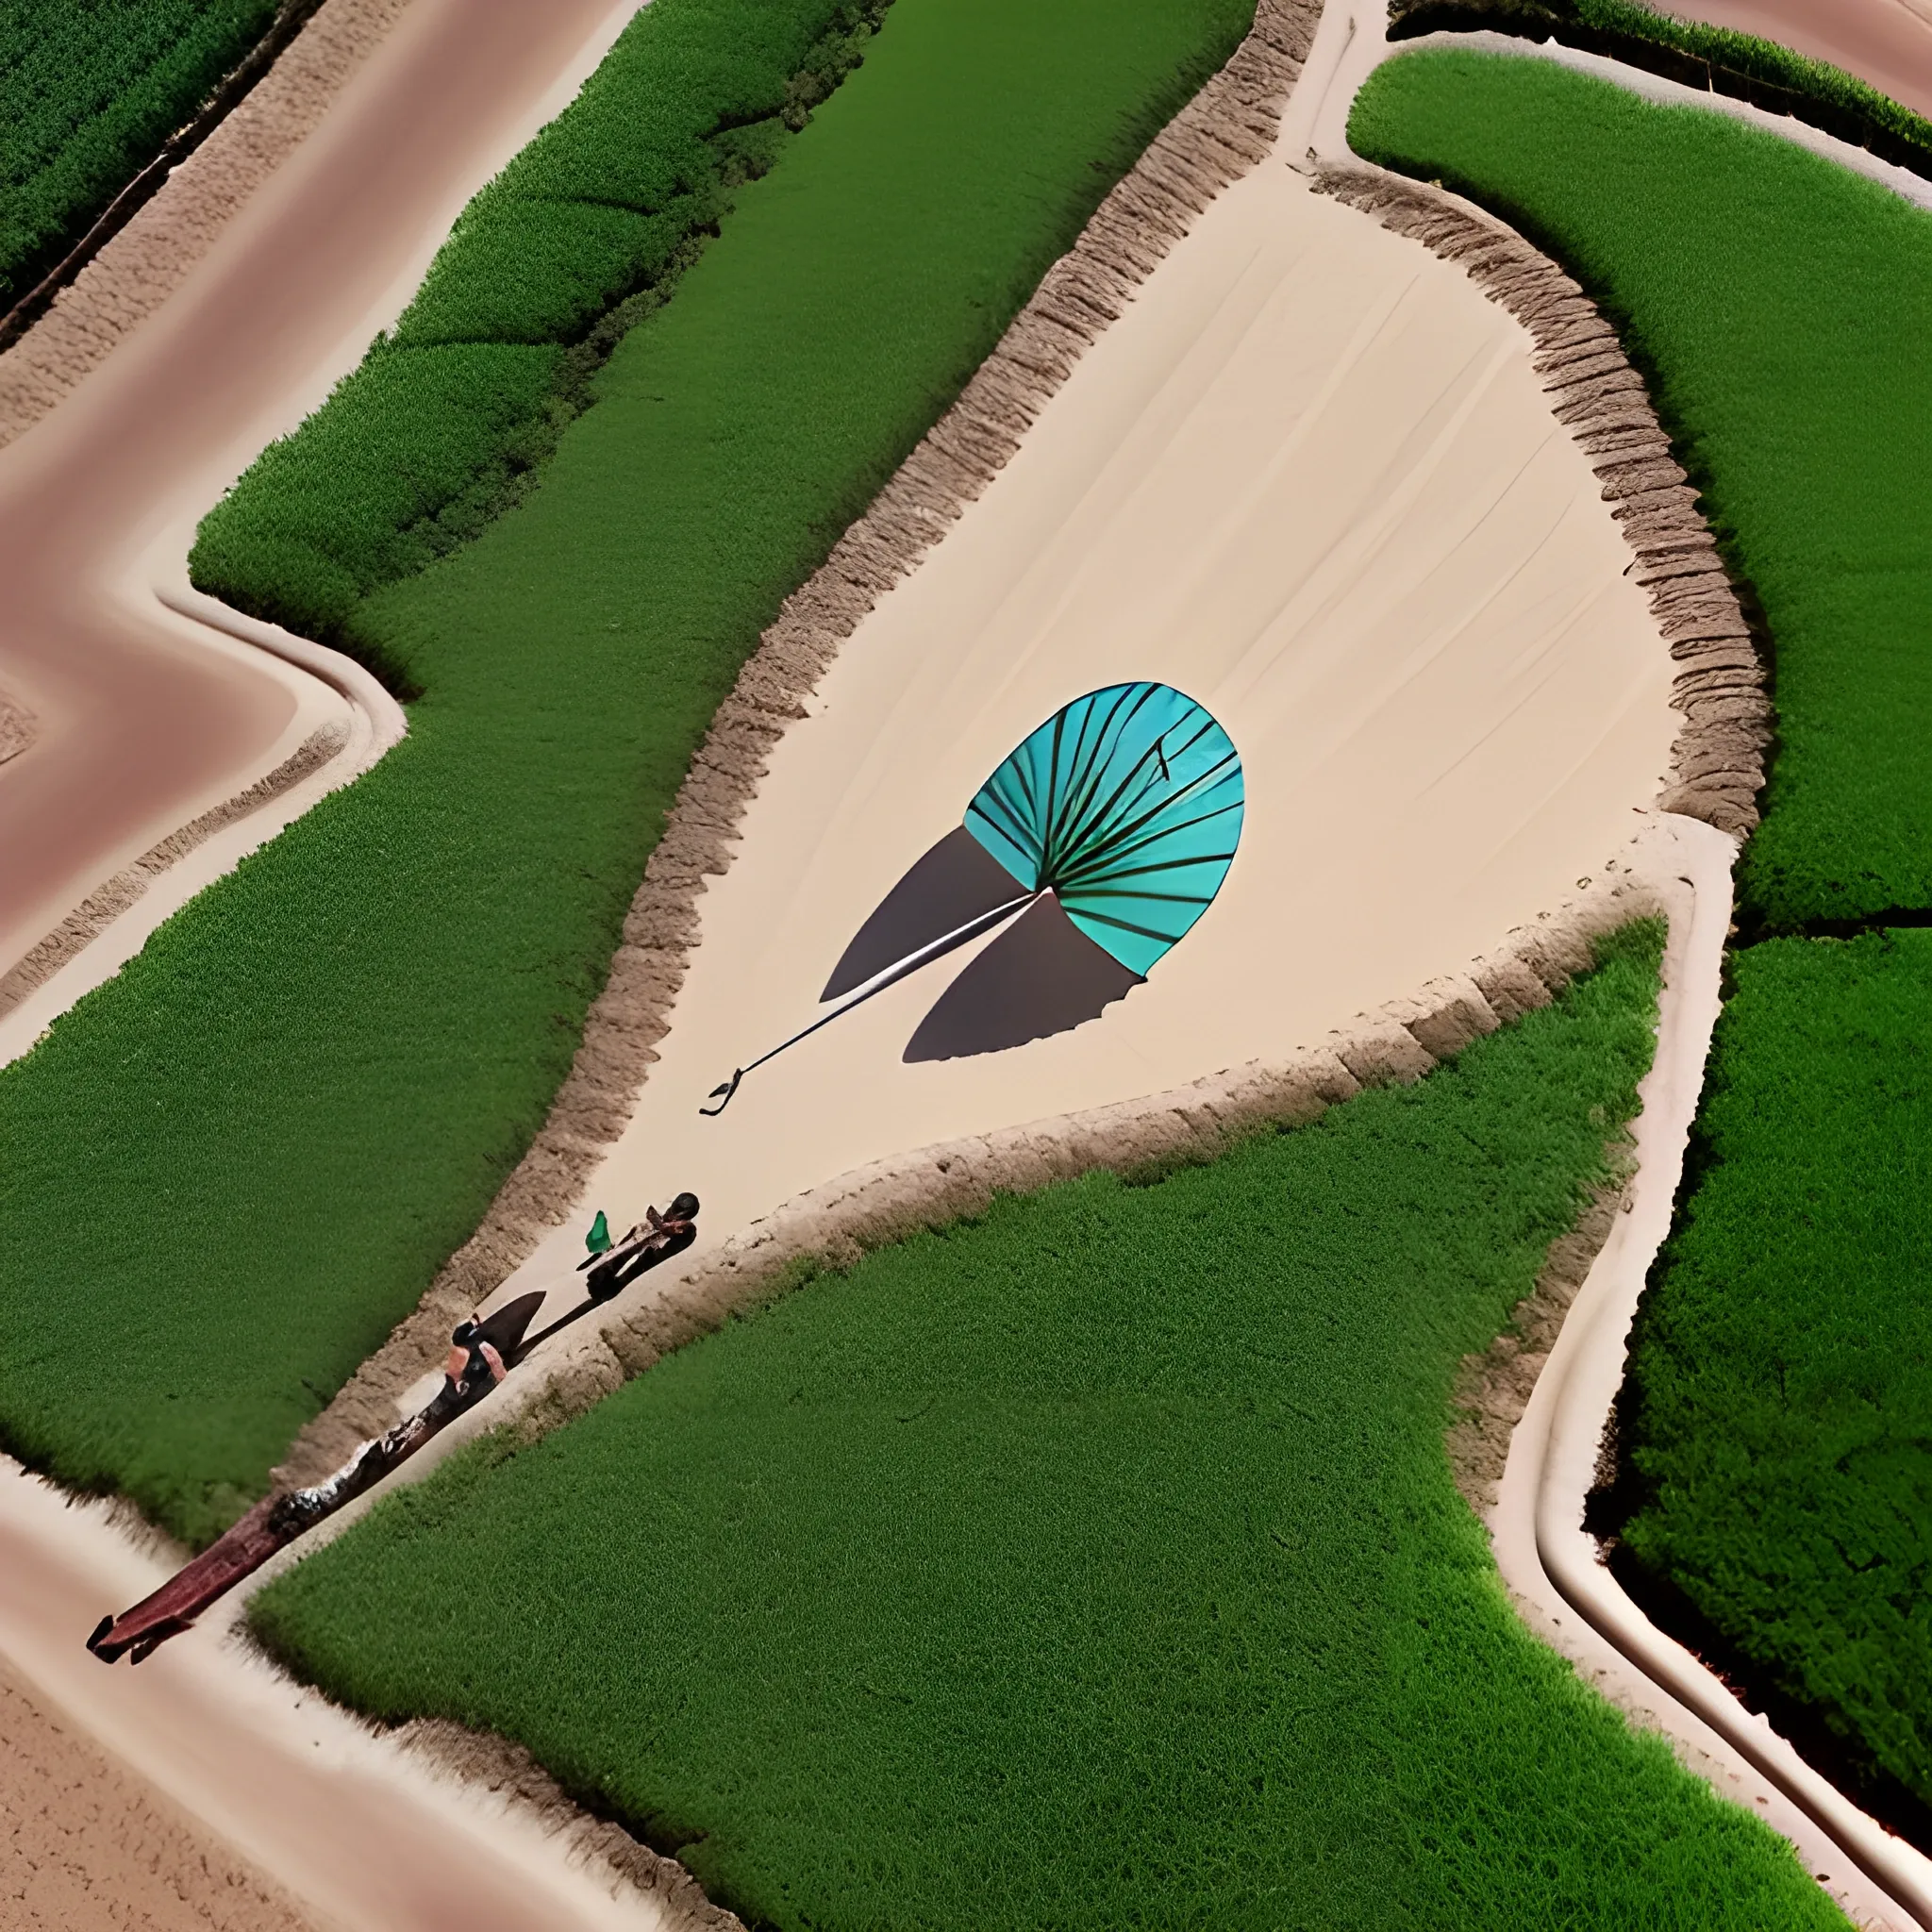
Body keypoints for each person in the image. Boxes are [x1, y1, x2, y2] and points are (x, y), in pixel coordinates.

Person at [583, 1192, 699, 1303]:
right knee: (627, 1250)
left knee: (639, 1265)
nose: (671, 1215)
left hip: (660, 1249)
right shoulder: (669, 1205)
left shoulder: (688, 1232)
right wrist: (659, 1223)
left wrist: (669, 1230)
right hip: (646, 1237)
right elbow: (652, 1213)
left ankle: (611, 1288)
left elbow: (675, 1242)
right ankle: (603, 1274)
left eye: (676, 1216)